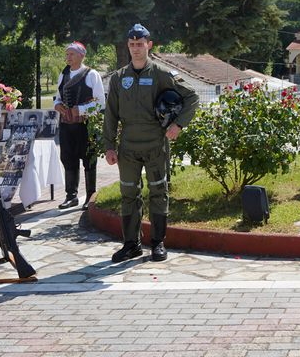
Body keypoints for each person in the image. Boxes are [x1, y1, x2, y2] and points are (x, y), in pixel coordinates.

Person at [103, 24, 199, 262]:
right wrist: (109, 145)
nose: (136, 48)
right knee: (128, 194)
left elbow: (192, 97)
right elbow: (111, 113)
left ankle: (158, 243)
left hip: (155, 143)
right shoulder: (118, 78)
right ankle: (131, 244)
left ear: (149, 45)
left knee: (158, 192)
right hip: (128, 147)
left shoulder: (161, 74)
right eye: (132, 44)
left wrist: (179, 125)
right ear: (128, 46)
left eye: (140, 44)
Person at [53, 41, 105, 210]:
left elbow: (100, 103)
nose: (68, 57)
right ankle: (71, 196)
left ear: (81, 55)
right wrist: (58, 105)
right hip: (67, 125)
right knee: (68, 158)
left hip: (86, 125)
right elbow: (57, 96)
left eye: (71, 54)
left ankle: (91, 195)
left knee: (89, 159)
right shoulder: (63, 74)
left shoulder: (91, 74)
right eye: (66, 54)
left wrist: (81, 109)